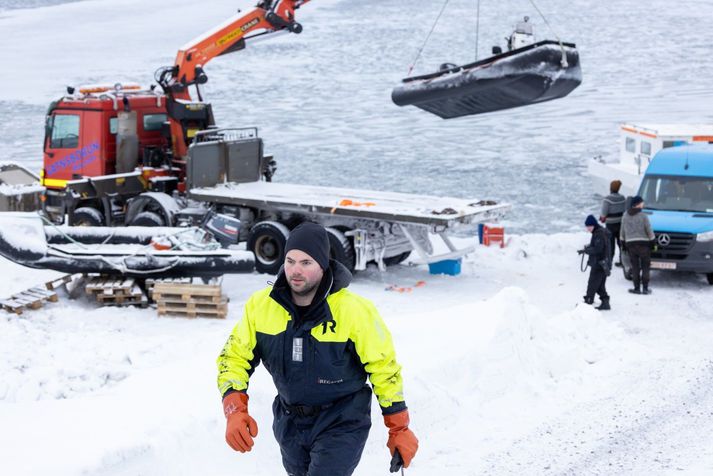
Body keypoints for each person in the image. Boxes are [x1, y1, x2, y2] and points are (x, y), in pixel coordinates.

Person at [216, 222, 418, 476]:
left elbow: (383, 368)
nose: (295, 270)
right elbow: (233, 357)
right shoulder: (261, 307)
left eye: (306, 262)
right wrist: (234, 408)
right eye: (290, 261)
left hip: (342, 419)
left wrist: (398, 427)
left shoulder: (353, 310)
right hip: (290, 422)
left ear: (323, 265)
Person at [620, 195, 655, 294]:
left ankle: (636, 288)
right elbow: (649, 230)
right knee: (645, 266)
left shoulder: (625, 215)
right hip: (644, 245)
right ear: (638, 204)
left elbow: (622, 231)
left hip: (631, 245)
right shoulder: (643, 216)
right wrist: (653, 241)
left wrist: (623, 243)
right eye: (642, 202)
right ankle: (645, 288)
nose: (643, 204)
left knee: (635, 267)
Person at [579, 214, 612, 311]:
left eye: (589, 226)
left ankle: (588, 301)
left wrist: (586, 251)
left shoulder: (599, 233)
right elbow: (597, 245)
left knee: (593, 283)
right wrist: (587, 247)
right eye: (587, 226)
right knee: (599, 285)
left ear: (594, 225)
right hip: (602, 263)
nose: (588, 228)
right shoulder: (598, 232)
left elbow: (598, 249)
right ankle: (605, 302)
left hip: (600, 264)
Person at [599, 180, 626, 265]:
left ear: (611, 188)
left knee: (610, 244)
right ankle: (622, 261)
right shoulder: (623, 198)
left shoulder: (607, 199)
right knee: (621, 243)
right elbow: (625, 210)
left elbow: (603, 214)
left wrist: (602, 218)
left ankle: (609, 262)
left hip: (610, 225)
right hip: (620, 224)